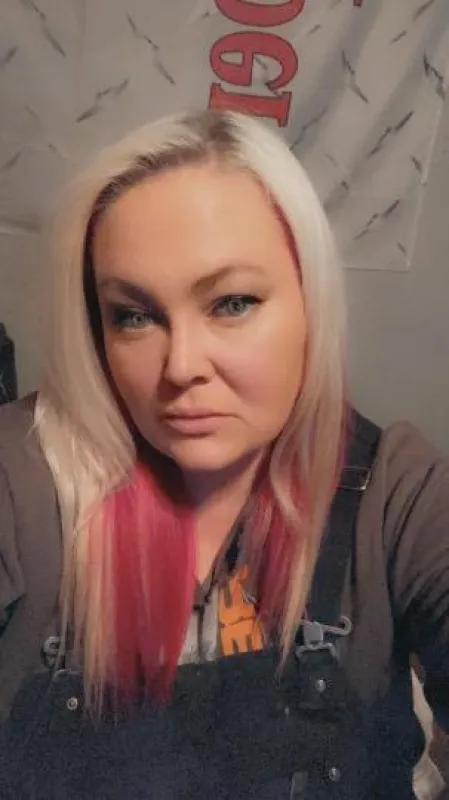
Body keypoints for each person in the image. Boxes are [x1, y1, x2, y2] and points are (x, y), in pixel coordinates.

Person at [0, 109, 448, 799]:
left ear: (311, 304)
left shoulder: (398, 497)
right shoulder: (23, 475)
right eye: (133, 316)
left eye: (232, 303)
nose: (181, 366)